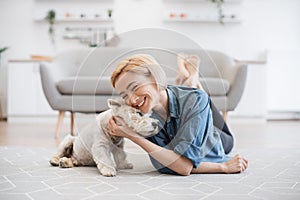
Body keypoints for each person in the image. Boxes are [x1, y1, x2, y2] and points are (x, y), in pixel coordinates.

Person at [108, 54, 248, 176]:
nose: (131, 100)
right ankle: (186, 79)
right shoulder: (143, 117)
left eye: (134, 87)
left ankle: (193, 80)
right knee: (191, 99)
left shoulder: (194, 100)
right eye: (124, 95)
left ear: (155, 77)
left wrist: (222, 167)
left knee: (200, 99)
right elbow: (167, 165)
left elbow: (184, 167)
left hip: (218, 138)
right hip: (179, 103)